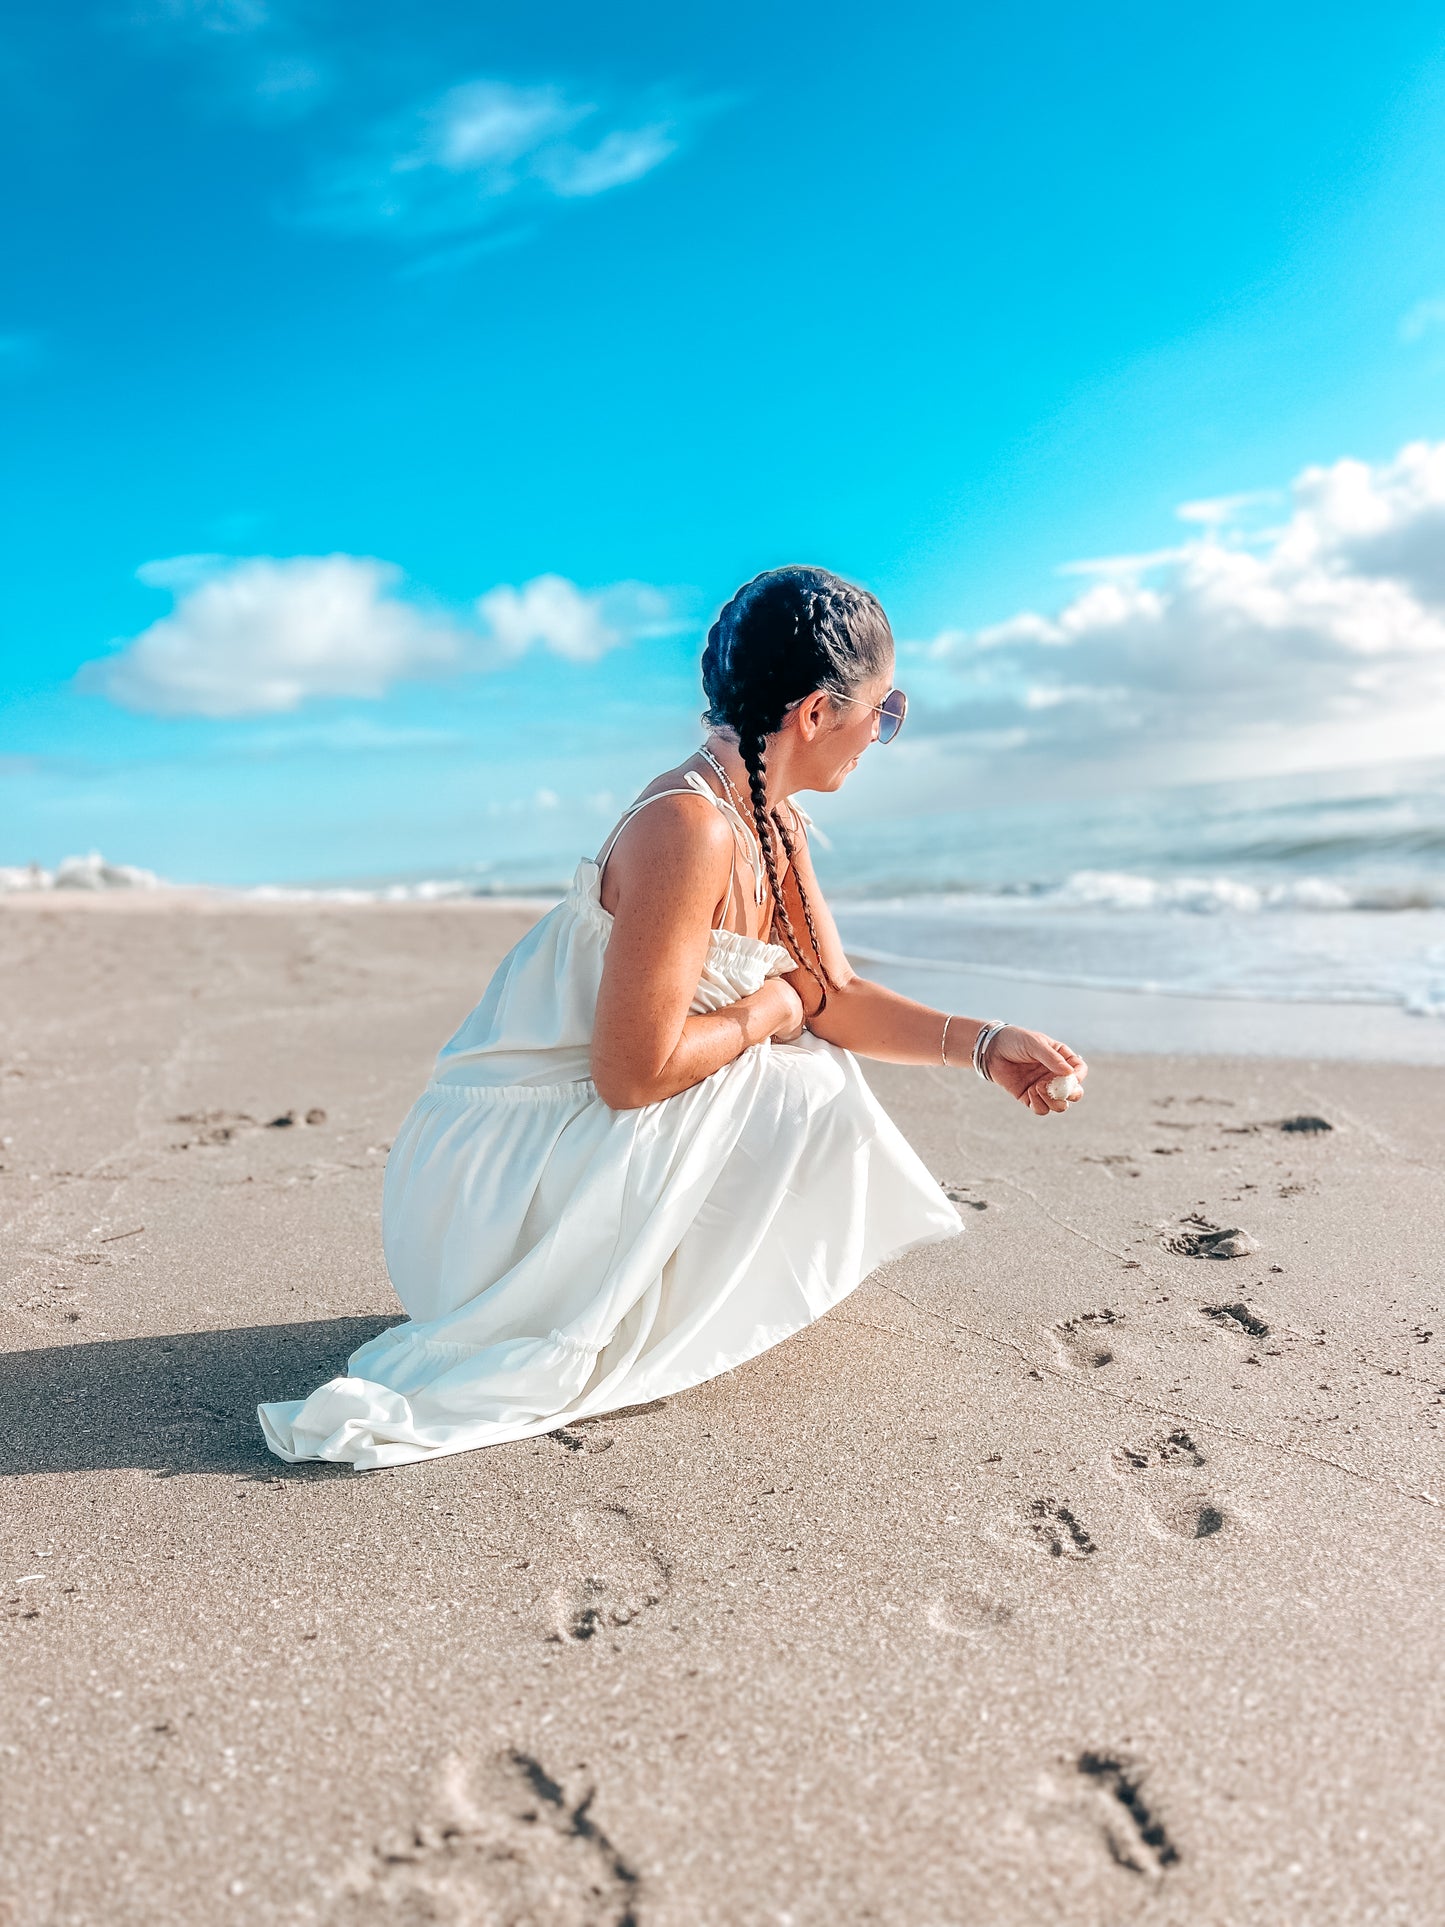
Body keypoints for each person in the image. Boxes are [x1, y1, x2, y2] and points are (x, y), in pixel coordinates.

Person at [259, 567, 1087, 1469]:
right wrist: (771, 1004)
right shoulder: (689, 827)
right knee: (798, 1071)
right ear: (814, 713)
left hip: (554, 1151)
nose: (882, 734)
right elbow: (632, 1074)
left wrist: (984, 1045)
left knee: (809, 1055)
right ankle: (617, 1300)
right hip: (482, 1201)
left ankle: (671, 1290)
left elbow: (835, 994)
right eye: (882, 713)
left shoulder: (767, 818)